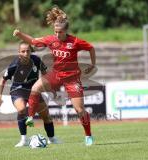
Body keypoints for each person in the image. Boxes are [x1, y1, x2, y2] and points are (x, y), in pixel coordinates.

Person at [13, 7, 96, 146]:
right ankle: (31, 117)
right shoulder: (51, 40)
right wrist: (20, 34)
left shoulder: (75, 42)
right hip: (56, 75)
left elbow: (91, 48)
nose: (57, 34)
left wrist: (93, 65)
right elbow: (33, 41)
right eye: (55, 32)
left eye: (60, 32)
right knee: (35, 88)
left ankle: (88, 135)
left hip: (72, 78)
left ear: (66, 31)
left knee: (79, 110)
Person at [0, 41, 60, 147]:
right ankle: (24, 140)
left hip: (34, 91)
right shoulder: (14, 64)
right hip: (18, 90)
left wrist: (51, 88)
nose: (26, 53)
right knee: (21, 110)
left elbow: (45, 74)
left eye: (28, 51)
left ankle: (52, 138)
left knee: (46, 116)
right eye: (23, 51)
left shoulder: (36, 60)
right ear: (19, 52)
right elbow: (2, 80)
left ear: (31, 51)